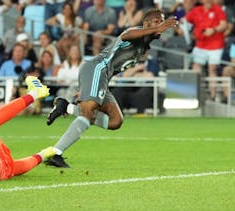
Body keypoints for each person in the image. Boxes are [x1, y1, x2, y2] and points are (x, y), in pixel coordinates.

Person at [44, 8, 178, 167]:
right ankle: (56, 153)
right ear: (146, 24)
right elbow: (126, 35)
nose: (161, 24)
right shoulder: (134, 34)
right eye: (157, 21)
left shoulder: (143, 48)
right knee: (88, 112)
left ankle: (67, 108)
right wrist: (157, 28)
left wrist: (92, 87)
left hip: (102, 78)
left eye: (162, 21)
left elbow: (113, 67)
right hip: (96, 69)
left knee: (115, 121)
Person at [183, 0, 227, 101]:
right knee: (196, 67)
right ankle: (194, 93)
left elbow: (224, 25)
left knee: (212, 68)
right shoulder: (196, 10)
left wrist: (214, 30)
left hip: (215, 45)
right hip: (200, 45)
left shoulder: (218, 10)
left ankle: (212, 95)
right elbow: (185, 20)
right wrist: (183, 25)